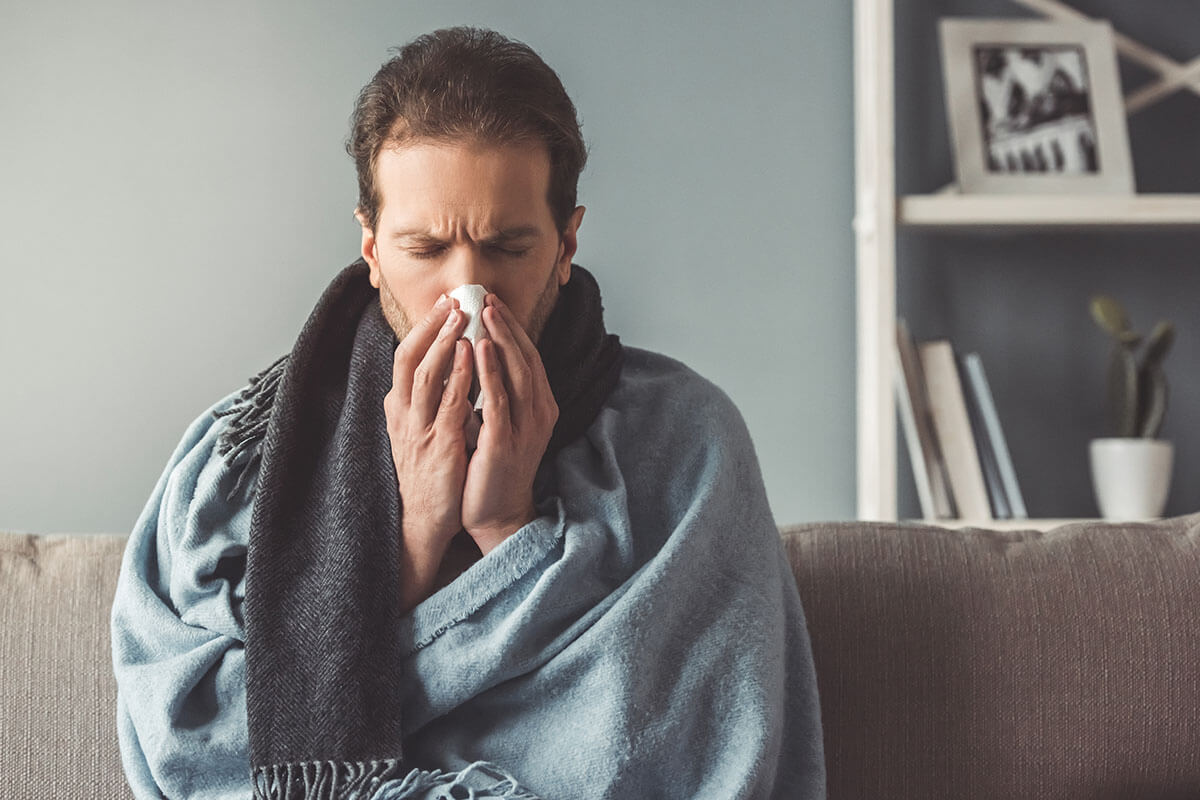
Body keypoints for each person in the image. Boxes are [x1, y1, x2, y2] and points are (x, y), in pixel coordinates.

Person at [111, 26, 825, 800]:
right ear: (371, 248)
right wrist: (413, 537)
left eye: (508, 248)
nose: (467, 294)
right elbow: (189, 739)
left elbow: (700, 750)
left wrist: (507, 530)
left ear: (566, 244)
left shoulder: (687, 443)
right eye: (424, 249)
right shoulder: (238, 460)